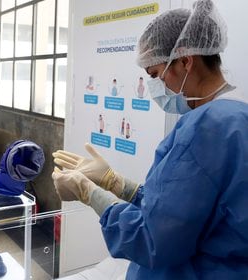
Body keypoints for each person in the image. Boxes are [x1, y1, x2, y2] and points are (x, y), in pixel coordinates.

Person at [52, 0, 248, 279]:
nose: (157, 87)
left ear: (184, 61)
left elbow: (154, 238)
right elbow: (188, 212)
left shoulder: (206, 127)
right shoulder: (238, 113)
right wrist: (118, 183)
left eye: (155, 75)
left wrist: (90, 194)